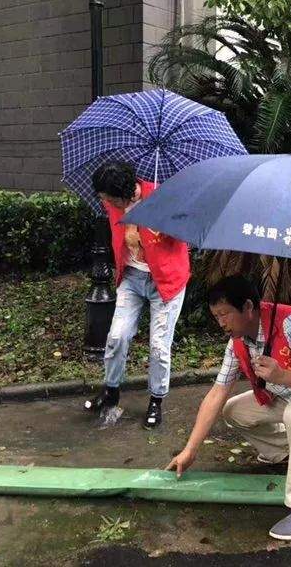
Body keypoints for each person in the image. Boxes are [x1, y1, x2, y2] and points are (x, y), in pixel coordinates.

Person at [167, 276, 291, 540]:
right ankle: (282, 450)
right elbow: (217, 393)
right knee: (234, 410)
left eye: (225, 314)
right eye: (216, 316)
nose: (221, 323)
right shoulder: (237, 340)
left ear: (248, 307)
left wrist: (281, 376)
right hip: (288, 396)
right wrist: (189, 451)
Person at [84, 162, 190, 429]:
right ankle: (111, 390)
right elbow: (119, 225)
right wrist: (130, 223)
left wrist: (153, 223)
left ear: (124, 195)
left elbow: (185, 235)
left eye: (107, 197)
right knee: (117, 336)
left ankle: (156, 399)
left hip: (165, 281)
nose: (103, 201)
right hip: (131, 278)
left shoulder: (165, 198)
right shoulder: (113, 204)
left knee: (158, 347)